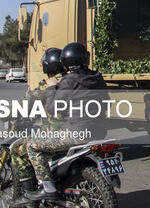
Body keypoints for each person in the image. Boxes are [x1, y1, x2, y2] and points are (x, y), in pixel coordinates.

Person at [14, 43, 107, 204]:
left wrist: (51, 88)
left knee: (32, 146)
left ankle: (48, 189)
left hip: (74, 134)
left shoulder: (68, 81)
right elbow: (106, 103)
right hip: (99, 132)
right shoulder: (97, 78)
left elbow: (53, 107)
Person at [8, 48, 66, 200]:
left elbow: (26, 103)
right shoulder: (72, 79)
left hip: (57, 135)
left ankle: (30, 198)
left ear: (48, 66)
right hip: (80, 130)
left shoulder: (48, 85)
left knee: (17, 150)